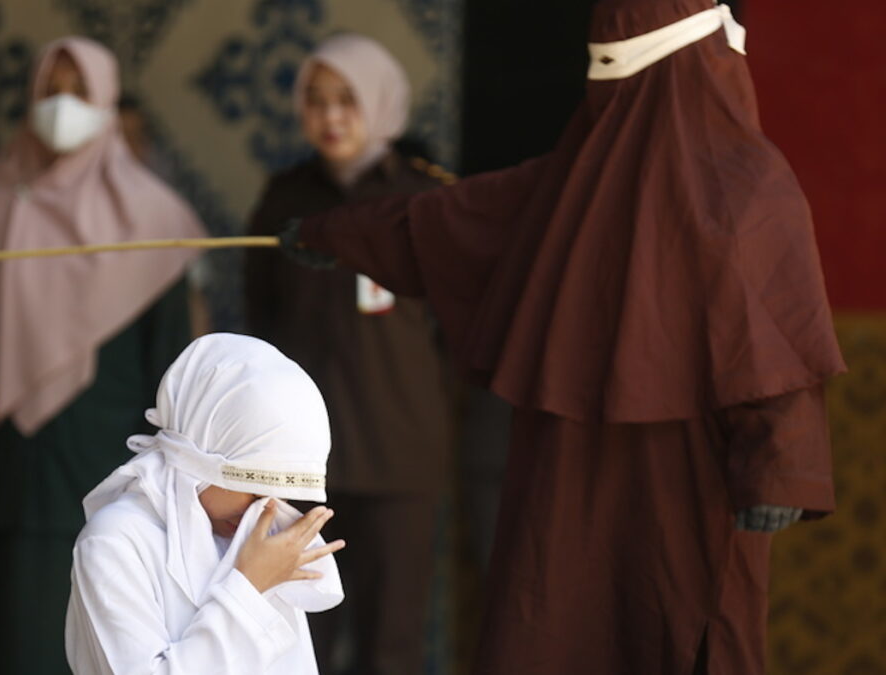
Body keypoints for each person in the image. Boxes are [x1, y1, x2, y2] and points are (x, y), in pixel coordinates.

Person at [278, 2, 845, 673]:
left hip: (687, 481)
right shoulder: (576, 182)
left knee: (675, 627)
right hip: (571, 478)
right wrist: (336, 233)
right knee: (560, 629)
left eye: (619, 75)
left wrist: (780, 464)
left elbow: (777, 337)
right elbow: (451, 223)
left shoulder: (750, 185)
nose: (607, 99)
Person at [0, 37, 204, 675]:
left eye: (79, 90)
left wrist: (169, 474)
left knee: (89, 617)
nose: (62, 104)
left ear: (104, 102)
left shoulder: (154, 219)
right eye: (51, 88)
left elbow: (168, 364)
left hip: (101, 456)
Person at [244, 34, 455, 675]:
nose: (331, 117)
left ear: (381, 103)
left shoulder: (425, 200)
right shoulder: (284, 202)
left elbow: (459, 332)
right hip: (300, 466)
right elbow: (260, 323)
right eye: (316, 100)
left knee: (391, 641)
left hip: (400, 456)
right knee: (294, 636)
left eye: (348, 100)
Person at [66, 333, 346, 674]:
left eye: (280, 490)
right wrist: (248, 588)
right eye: (253, 487)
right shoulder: (114, 541)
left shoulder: (256, 535)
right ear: (196, 457)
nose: (268, 507)